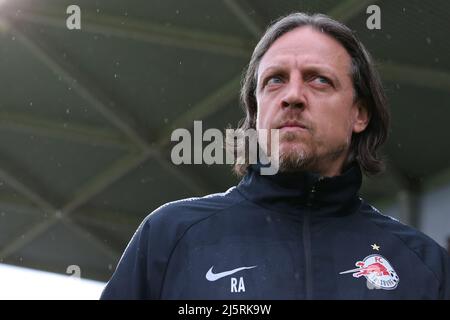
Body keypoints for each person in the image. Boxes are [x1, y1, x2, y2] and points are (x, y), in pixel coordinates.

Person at [101, 12, 450, 299]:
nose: (293, 96)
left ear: (360, 113)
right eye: (275, 80)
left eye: (318, 80)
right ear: (255, 113)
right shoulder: (170, 237)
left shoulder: (424, 265)